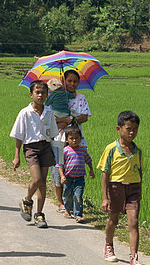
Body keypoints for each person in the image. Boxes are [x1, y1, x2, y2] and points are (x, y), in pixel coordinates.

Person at [97, 110, 144, 265]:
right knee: (113, 219)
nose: (132, 132)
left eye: (135, 129)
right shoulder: (111, 149)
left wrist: (140, 190)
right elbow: (105, 174)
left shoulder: (138, 150)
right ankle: (108, 245)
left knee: (134, 222)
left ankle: (134, 257)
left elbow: (140, 172)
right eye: (128, 129)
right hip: (116, 188)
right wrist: (105, 198)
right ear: (119, 129)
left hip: (133, 189)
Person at [10, 80, 57, 229]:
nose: (40, 95)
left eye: (43, 92)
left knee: (43, 182)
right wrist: (17, 155)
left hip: (45, 146)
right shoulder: (25, 113)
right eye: (37, 92)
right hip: (30, 148)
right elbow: (19, 135)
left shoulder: (49, 112)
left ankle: (39, 214)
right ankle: (27, 199)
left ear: (47, 94)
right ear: (31, 94)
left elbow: (53, 134)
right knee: (36, 179)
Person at [50, 70, 92, 213]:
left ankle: (74, 204)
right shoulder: (56, 95)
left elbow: (84, 117)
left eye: (75, 81)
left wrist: (70, 120)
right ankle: (60, 202)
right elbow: (50, 117)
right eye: (69, 81)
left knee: (75, 170)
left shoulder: (81, 98)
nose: (72, 84)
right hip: (58, 138)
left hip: (76, 140)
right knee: (58, 169)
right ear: (64, 81)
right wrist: (64, 120)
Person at [56, 124, 95, 223]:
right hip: (68, 178)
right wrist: (62, 176)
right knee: (67, 195)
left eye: (77, 138)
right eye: (71, 138)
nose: (74, 140)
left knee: (78, 196)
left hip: (79, 178)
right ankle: (68, 210)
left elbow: (88, 160)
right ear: (66, 140)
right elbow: (60, 165)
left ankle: (78, 215)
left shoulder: (82, 150)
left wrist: (91, 170)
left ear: (81, 138)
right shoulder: (65, 151)